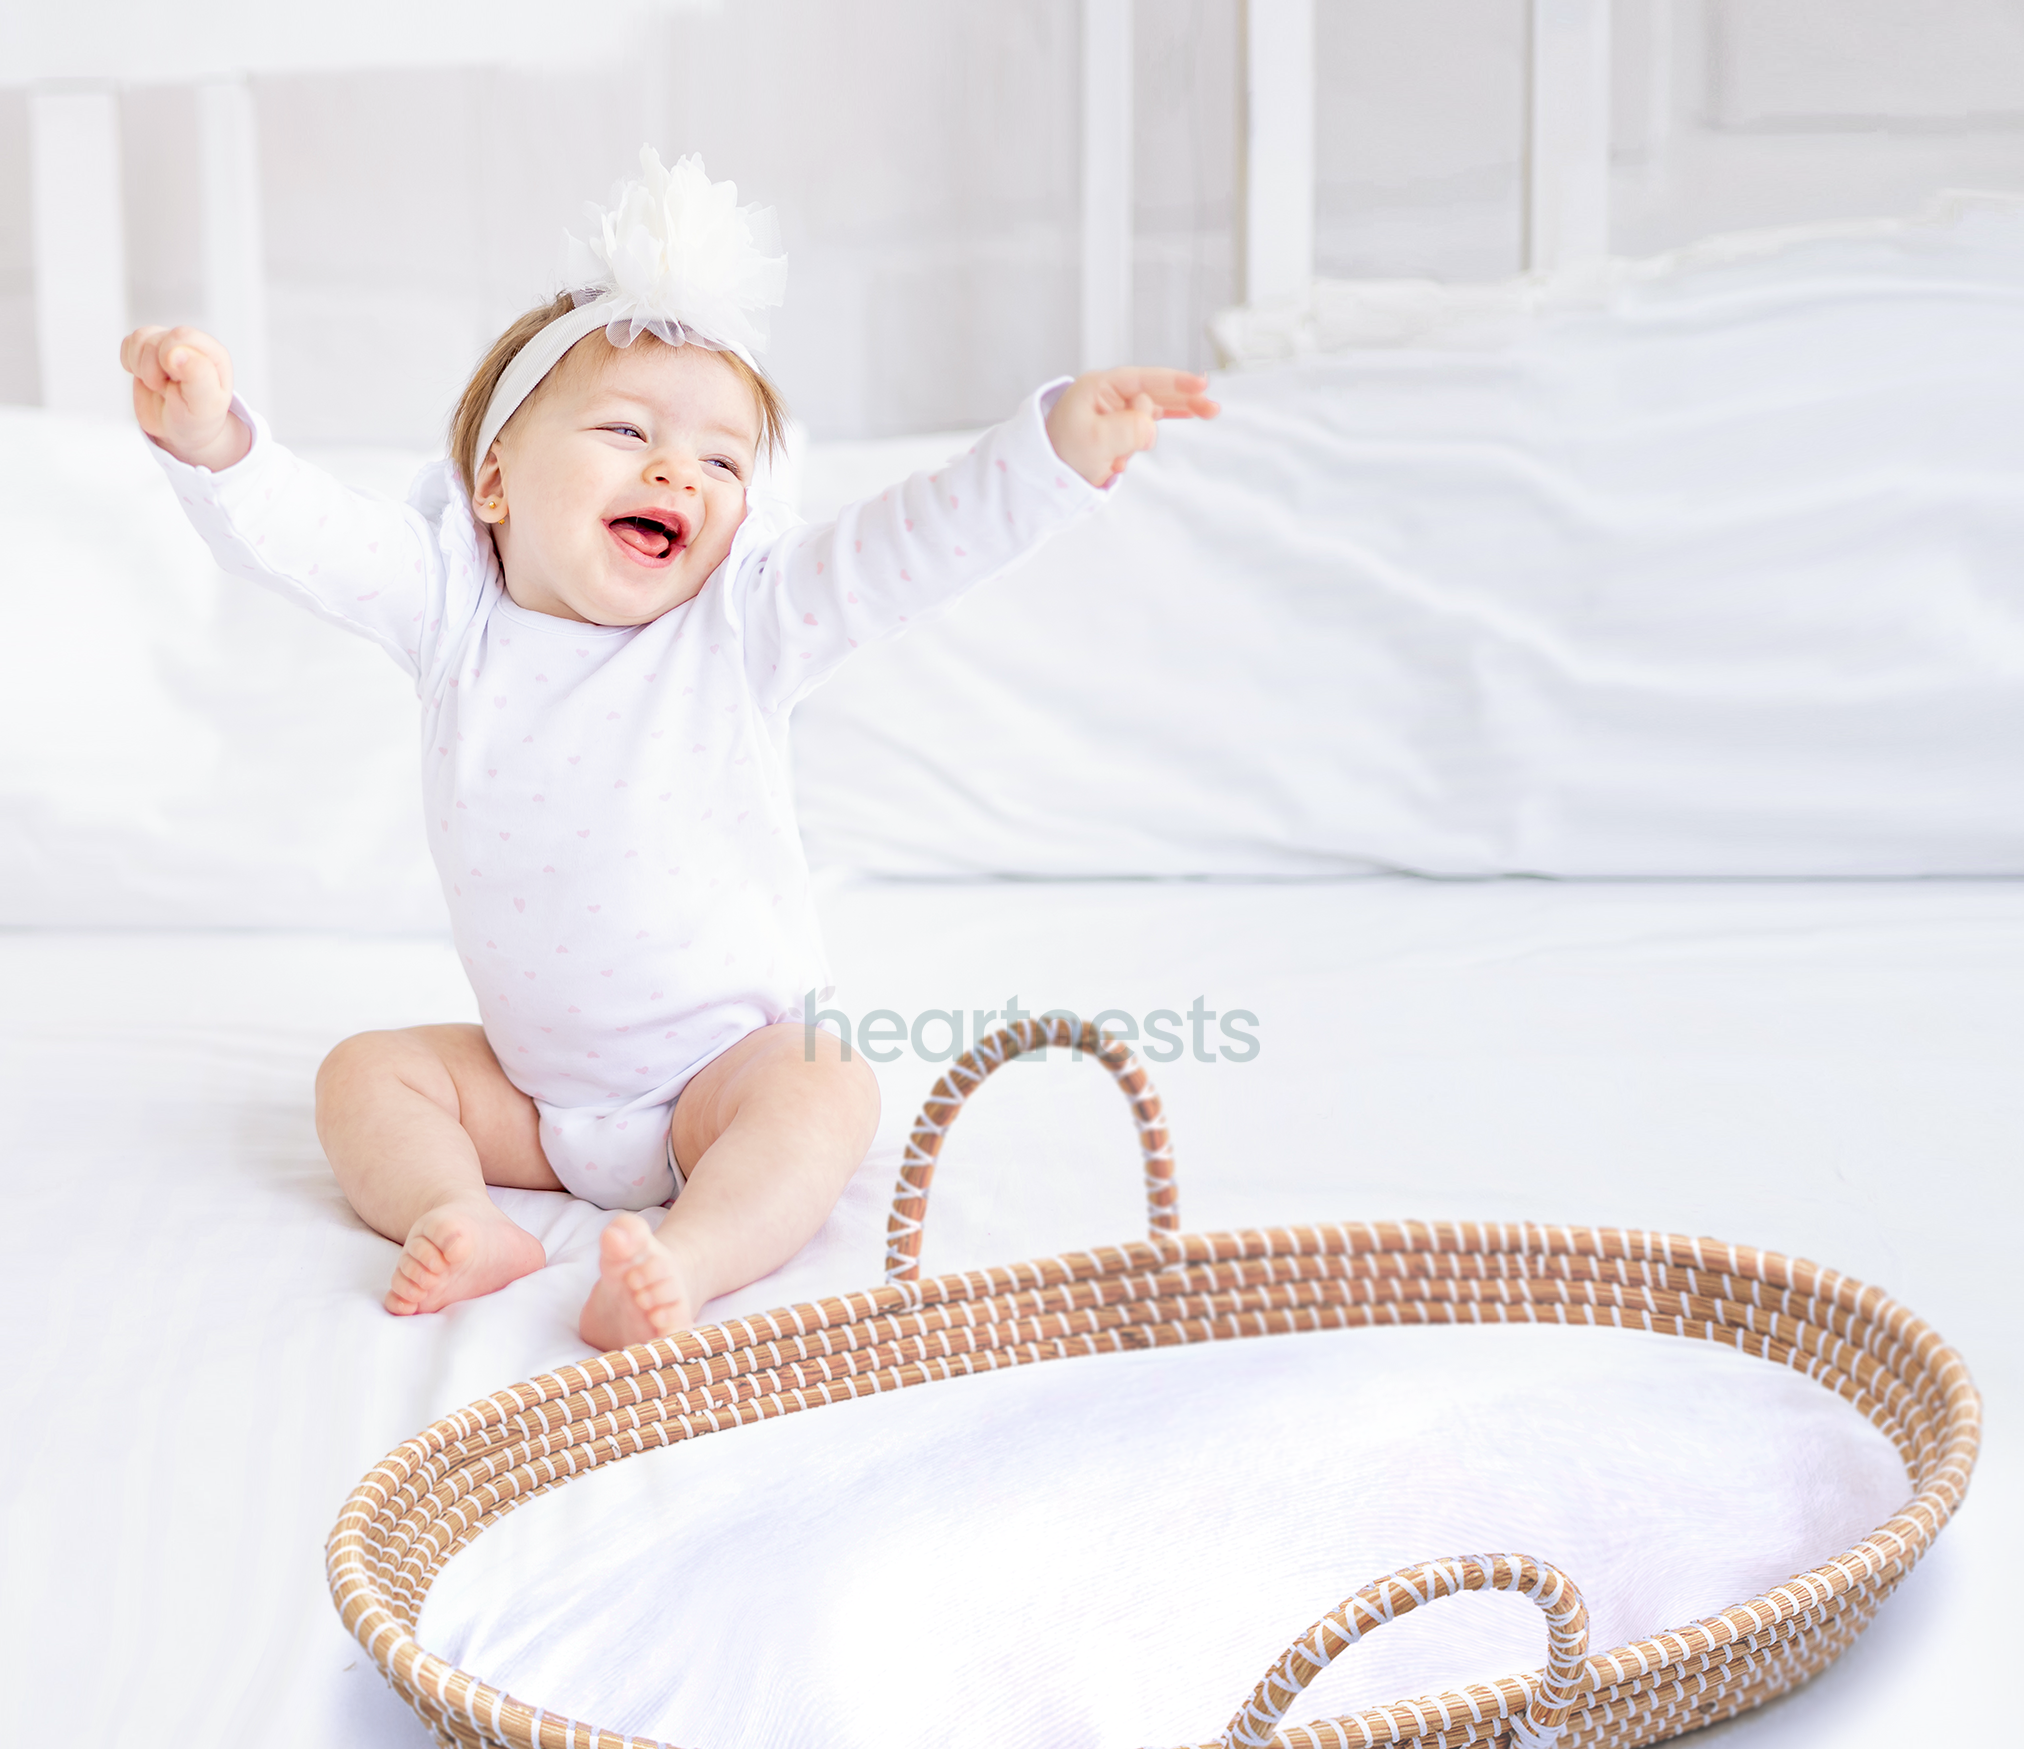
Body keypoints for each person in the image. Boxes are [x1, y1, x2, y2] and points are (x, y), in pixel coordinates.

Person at [122, 148, 1217, 1352]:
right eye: (628, 429)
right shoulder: (452, 615)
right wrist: (215, 440)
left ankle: (682, 1262)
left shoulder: (742, 623)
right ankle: (453, 1212)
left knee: (827, 1083)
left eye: (719, 461)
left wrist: (1047, 452)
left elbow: (908, 545)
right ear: (492, 479)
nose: (673, 472)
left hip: (718, 1078)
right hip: (531, 1096)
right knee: (363, 1074)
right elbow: (310, 536)